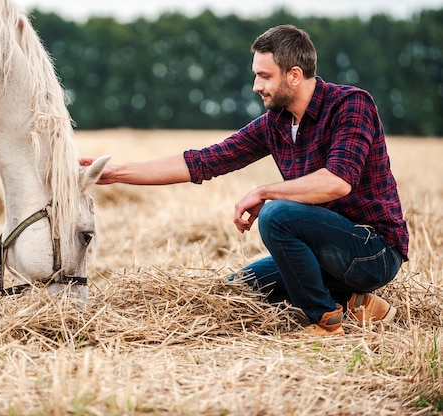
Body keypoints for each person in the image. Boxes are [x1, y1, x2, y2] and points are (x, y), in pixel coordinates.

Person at [80, 24, 409, 336]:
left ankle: (325, 321)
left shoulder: (351, 105)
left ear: (294, 75)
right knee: (240, 287)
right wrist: (114, 173)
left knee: (277, 215)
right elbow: (202, 161)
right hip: (325, 253)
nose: (256, 86)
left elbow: (337, 181)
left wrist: (265, 192)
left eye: (265, 76)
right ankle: (356, 303)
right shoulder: (274, 124)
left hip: (372, 252)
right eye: (256, 75)